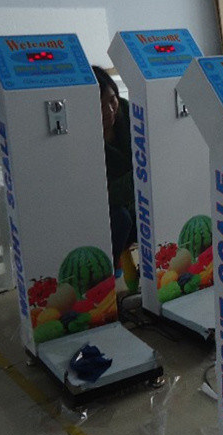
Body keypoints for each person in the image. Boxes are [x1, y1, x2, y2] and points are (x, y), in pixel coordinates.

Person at [92, 66, 138, 288]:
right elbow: (101, 194)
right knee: (120, 218)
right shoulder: (80, 137)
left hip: (136, 201)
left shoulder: (130, 114)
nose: (109, 110)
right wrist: (137, 177)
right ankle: (104, 277)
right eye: (99, 106)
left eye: (112, 100)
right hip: (107, 211)